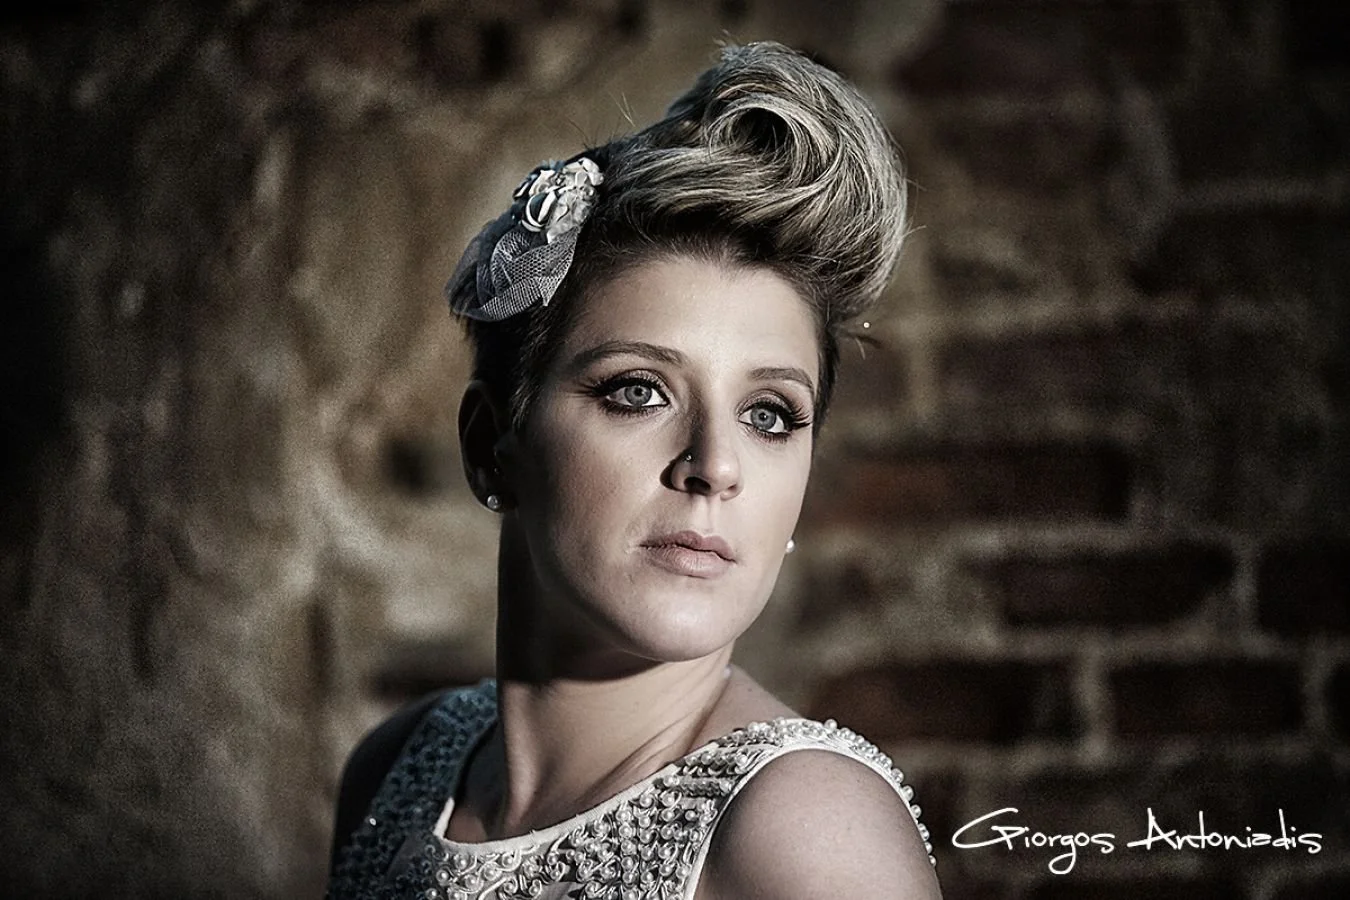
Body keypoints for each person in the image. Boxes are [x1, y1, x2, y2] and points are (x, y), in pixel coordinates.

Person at [326, 41, 942, 900]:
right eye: (638, 391)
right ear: (489, 444)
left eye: (770, 415)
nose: (715, 466)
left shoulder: (804, 834)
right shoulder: (396, 775)